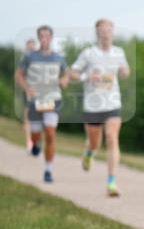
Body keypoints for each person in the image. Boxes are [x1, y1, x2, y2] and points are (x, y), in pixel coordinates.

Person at [69, 18, 130, 197]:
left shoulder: (119, 52)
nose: (105, 33)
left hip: (112, 103)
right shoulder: (88, 53)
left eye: (108, 30)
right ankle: (89, 153)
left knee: (112, 138)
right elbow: (72, 73)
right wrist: (87, 77)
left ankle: (111, 182)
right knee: (95, 142)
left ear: (112, 32)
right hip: (93, 105)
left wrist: (124, 71)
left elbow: (125, 71)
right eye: (102, 30)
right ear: (97, 33)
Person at [14, 25, 68, 183]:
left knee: (50, 133)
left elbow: (66, 75)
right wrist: (26, 89)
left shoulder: (59, 58)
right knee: (36, 134)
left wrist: (64, 81)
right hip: (35, 100)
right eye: (41, 36)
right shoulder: (30, 57)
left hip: (53, 99)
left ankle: (48, 170)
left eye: (47, 36)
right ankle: (35, 143)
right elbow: (19, 75)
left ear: (51, 38)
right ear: (39, 38)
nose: (44, 39)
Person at [20, 38, 37, 154]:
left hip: (41, 94)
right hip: (29, 92)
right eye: (28, 47)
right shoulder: (24, 61)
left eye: (32, 47)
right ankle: (29, 144)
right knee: (27, 120)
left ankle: (35, 142)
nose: (30, 49)